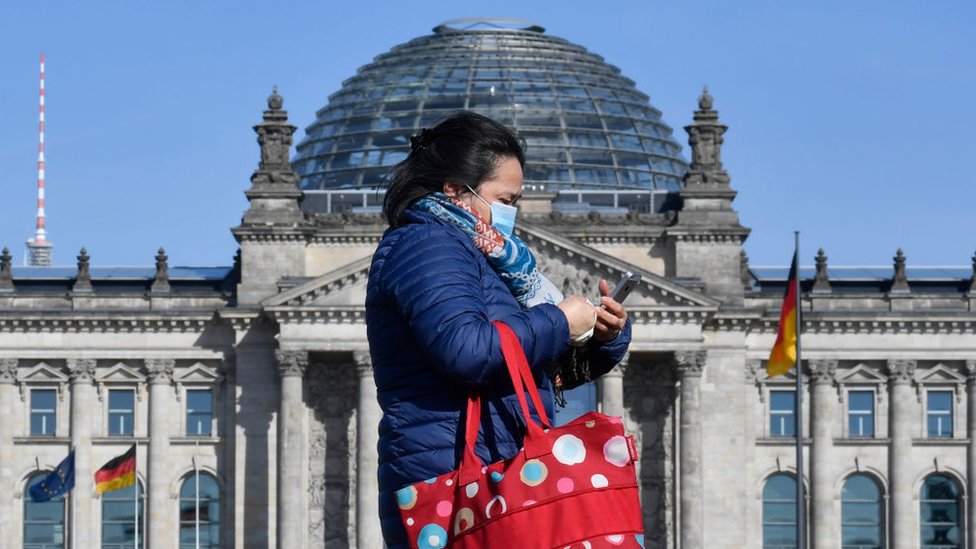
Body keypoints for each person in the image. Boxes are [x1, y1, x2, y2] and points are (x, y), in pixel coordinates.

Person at [365, 111, 632, 548]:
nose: (513, 213)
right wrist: (561, 320)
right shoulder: (427, 243)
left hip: (496, 468)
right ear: (454, 189)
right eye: (505, 199)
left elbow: (525, 368)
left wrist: (602, 337)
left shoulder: (489, 256)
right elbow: (466, 351)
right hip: (451, 479)